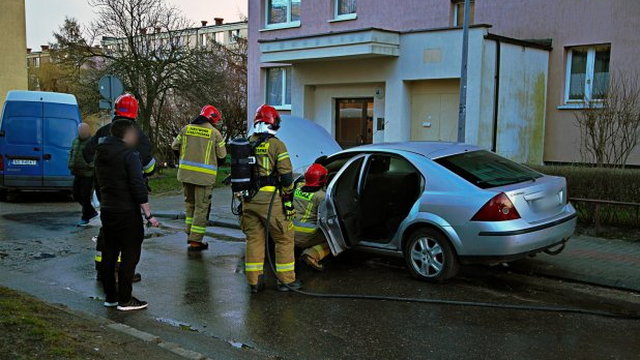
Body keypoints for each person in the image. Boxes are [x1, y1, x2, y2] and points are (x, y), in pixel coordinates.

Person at [84, 94, 154, 281]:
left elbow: (87, 154)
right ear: (135, 112)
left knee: (107, 229)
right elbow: (148, 165)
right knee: (127, 233)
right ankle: (121, 271)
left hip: (104, 190)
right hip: (127, 194)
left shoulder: (103, 131)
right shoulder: (137, 135)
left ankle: (103, 269)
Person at [94, 119, 160, 311]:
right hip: (127, 212)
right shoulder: (129, 155)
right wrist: (148, 215)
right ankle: (125, 299)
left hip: (108, 211)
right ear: (126, 134)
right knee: (130, 255)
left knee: (109, 254)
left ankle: (111, 297)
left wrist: (104, 202)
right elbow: (137, 185)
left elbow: (97, 183)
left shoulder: (101, 153)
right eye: (133, 133)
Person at [241, 104, 301, 293]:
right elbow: (285, 176)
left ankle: (254, 282)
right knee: (284, 238)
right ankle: (286, 281)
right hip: (270, 200)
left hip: (248, 199)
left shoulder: (247, 142)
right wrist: (288, 196)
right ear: (273, 123)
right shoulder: (276, 145)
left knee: (254, 239)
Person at [171, 105, 227, 251]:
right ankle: (196, 241)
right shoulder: (215, 133)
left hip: (185, 174)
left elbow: (174, 147)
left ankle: (190, 233)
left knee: (190, 204)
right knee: (201, 208)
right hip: (204, 178)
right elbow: (222, 156)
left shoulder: (186, 129)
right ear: (212, 119)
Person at [293, 164, 332, 271]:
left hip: (290, 233)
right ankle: (312, 255)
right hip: (307, 235)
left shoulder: (297, 189)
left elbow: (303, 181)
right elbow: (327, 217)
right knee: (335, 239)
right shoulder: (321, 197)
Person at [68, 123, 98, 226]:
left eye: (84, 130)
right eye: (81, 130)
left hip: (88, 174)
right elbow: (72, 153)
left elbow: (97, 156)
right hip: (77, 172)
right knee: (76, 194)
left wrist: (91, 165)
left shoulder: (93, 142)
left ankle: (85, 217)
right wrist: (71, 164)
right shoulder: (76, 141)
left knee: (85, 196)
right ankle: (92, 212)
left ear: (88, 130)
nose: (82, 132)